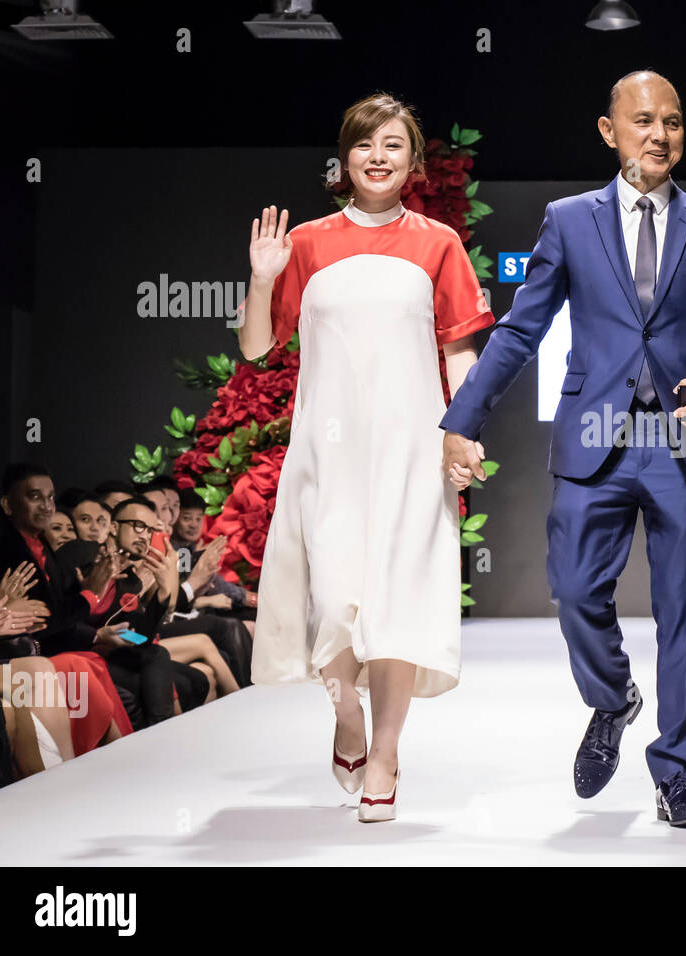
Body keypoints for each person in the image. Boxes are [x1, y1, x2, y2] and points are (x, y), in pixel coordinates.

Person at [438, 70, 686, 827]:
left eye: (675, 123)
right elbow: (522, 331)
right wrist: (463, 418)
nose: (661, 135)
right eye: (646, 121)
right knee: (575, 591)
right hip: (596, 441)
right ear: (609, 130)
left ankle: (676, 772)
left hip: (682, 440)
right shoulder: (568, 220)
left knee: (685, 617)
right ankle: (612, 696)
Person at [240, 92, 497, 822]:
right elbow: (258, 347)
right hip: (327, 451)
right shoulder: (310, 243)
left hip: (411, 451)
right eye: (365, 145)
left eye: (394, 145)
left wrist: (464, 430)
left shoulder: (438, 243)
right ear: (344, 158)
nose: (378, 158)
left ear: (413, 161)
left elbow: (459, 350)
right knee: (332, 599)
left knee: (399, 607)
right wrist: (263, 277)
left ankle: (383, 752)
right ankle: (343, 710)